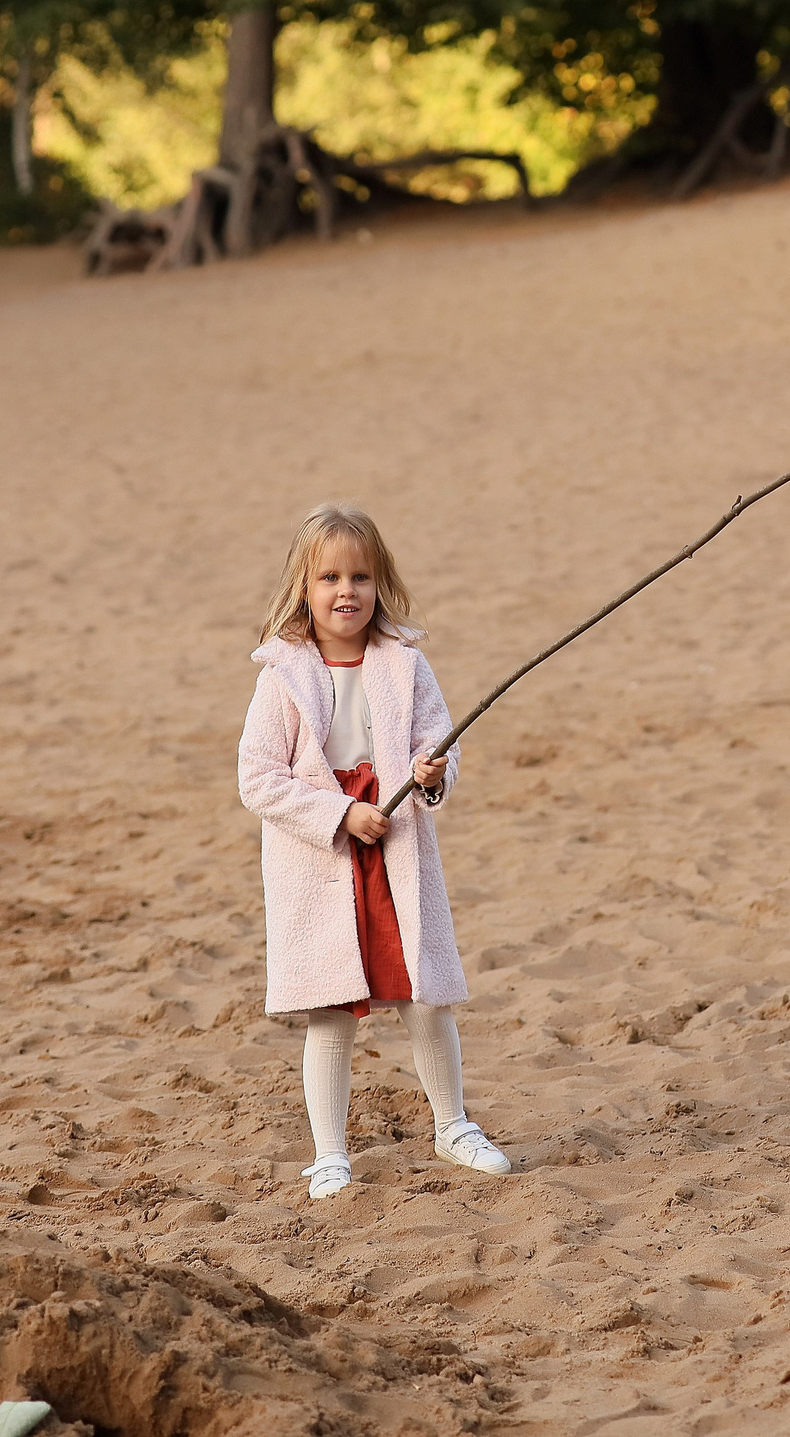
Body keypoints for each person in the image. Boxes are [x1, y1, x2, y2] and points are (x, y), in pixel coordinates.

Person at [238, 503, 513, 1199]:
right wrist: (339, 812)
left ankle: (452, 1124)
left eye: (361, 575)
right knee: (331, 1006)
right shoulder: (280, 677)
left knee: (423, 993)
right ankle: (329, 1151)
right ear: (304, 587)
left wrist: (431, 774)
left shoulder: (405, 666)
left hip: (395, 847)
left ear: (380, 583)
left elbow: (439, 746)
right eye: (329, 576)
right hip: (325, 853)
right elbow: (259, 778)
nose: (346, 591)